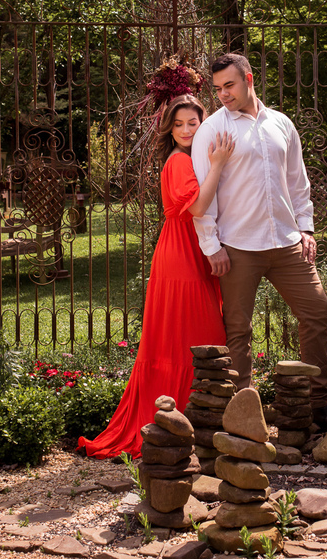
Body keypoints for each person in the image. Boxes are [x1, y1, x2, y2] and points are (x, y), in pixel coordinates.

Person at [78, 94, 235, 459]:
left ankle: (195, 419)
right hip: (181, 256)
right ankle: (176, 418)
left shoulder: (193, 158)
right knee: (196, 336)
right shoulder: (178, 161)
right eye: (178, 124)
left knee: (192, 335)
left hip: (192, 250)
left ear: (204, 123)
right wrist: (218, 164)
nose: (185, 130)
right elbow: (197, 206)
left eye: (192, 123)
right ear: (169, 129)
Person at [190, 53, 327, 420]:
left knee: (317, 311)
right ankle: (244, 413)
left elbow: (298, 182)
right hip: (238, 247)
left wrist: (305, 227)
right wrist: (211, 245)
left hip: (287, 243)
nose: (223, 94)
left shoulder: (281, 124)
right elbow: (204, 194)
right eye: (217, 88)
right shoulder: (212, 130)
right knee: (238, 330)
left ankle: (316, 403)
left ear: (249, 79)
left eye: (229, 85)